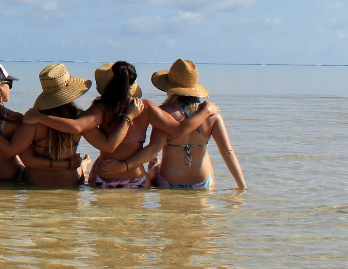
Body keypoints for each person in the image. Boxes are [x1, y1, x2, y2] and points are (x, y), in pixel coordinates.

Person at [23, 60, 219, 189]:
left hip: (103, 179)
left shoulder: (100, 108)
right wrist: (205, 111)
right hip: (137, 180)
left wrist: (41, 118)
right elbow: (180, 129)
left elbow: (77, 127)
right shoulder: (146, 107)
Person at [0, 64, 71, 187]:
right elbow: (28, 159)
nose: (10, 88)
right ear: (0, 86)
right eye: (9, 84)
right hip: (10, 177)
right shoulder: (13, 119)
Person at [146, 59, 247, 190]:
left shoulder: (163, 112)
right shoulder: (212, 115)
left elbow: (154, 150)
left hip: (168, 180)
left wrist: (149, 168)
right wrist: (242, 186)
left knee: (154, 168)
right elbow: (227, 152)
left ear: (169, 87)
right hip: (203, 182)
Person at [0, 63, 93, 186]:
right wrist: (69, 164)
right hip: (70, 181)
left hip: (35, 181)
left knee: (19, 163)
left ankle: (83, 164)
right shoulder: (79, 118)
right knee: (80, 166)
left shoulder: (33, 121)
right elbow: (104, 145)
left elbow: (28, 160)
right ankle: (84, 165)